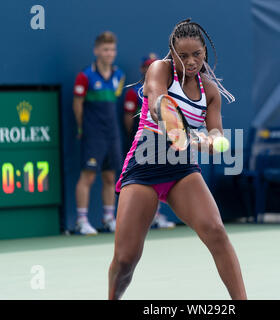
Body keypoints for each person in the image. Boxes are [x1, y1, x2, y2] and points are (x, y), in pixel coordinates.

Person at [108, 19, 247, 299]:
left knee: (216, 231)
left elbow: (215, 132)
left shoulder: (210, 91)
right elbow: (160, 104)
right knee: (126, 259)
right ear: (171, 53)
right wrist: (179, 131)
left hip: (182, 169)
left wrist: (211, 142)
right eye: (182, 56)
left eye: (196, 54)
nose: (190, 61)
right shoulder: (159, 69)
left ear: (204, 52)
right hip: (144, 166)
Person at [73, 31, 125, 235]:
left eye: (112, 49)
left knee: (111, 178)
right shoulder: (84, 76)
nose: (109, 53)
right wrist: (81, 128)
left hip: (112, 134)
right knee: (88, 177)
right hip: (93, 134)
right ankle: (81, 220)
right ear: (96, 51)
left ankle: (108, 218)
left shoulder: (119, 75)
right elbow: (77, 105)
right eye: (105, 49)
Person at [124, 53, 176, 229]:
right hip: (140, 142)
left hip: (163, 142)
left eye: (154, 65)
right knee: (143, 182)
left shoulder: (168, 89)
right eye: (147, 65)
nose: (151, 69)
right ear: (142, 69)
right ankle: (140, 220)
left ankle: (157, 215)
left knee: (159, 176)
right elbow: (128, 118)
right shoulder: (134, 93)